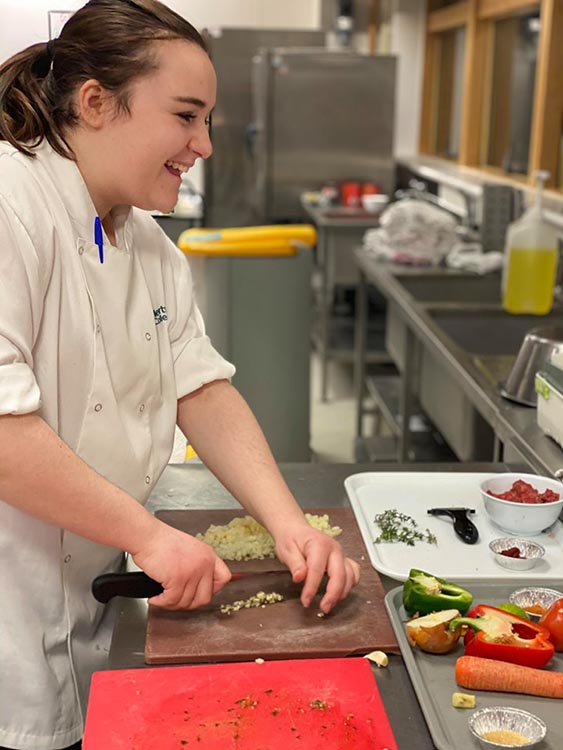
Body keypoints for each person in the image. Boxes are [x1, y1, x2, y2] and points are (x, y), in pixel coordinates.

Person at [0, 1, 360, 748]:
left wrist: (288, 526)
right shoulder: (12, 207)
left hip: (94, 587)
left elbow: (200, 386)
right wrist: (151, 537)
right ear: (96, 102)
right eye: (185, 116)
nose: (202, 144)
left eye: (208, 121)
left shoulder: (148, 243)